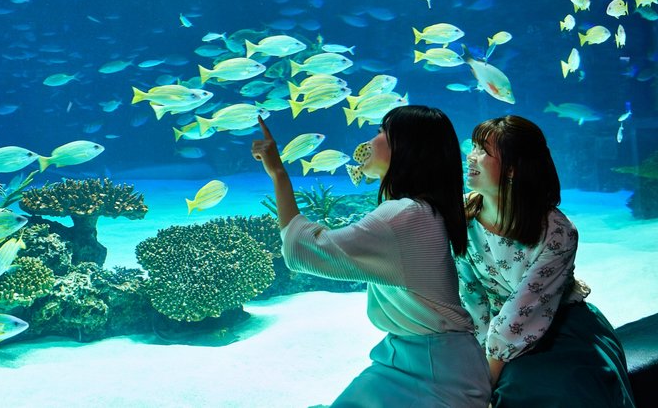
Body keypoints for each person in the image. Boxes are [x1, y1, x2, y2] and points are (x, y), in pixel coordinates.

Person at [252, 107, 492, 407]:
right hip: (420, 360)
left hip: (435, 376)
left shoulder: (405, 215)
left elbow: (307, 250)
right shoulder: (421, 210)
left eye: (381, 132)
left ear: (405, 148)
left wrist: (278, 173)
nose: (371, 139)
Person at [458, 115, 636, 407]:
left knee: (561, 391)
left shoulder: (556, 232)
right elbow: (470, 293)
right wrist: (477, 358)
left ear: (513, 169)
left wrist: (486, 378)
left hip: (559, 326)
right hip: (491, 333)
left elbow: (524, 311)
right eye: (473, 147)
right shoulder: (461, 214)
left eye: (482, 150)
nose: (470, 156)